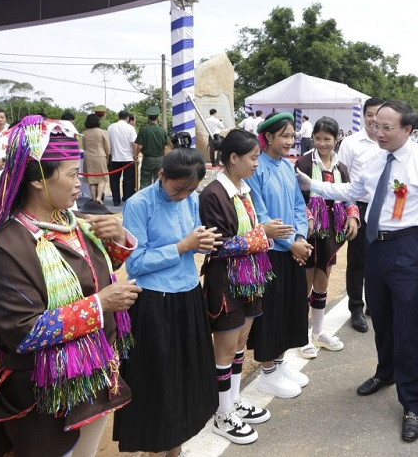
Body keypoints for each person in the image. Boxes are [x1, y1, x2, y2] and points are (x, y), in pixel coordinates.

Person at [0, 116, 140, 456]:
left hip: (93, 372)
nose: (79, 182)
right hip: (44, 390)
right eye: (71, 174)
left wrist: (117, 239)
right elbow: (23, 331)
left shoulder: (70, 221)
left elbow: (91, 275)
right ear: (38, 181)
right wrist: (100, 305)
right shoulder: (10, 247)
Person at [298, 100, 418, 443]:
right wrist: (312, 184)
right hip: (375, 246)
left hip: (408, 247)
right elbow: (353, 191)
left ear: (407, 130)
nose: (377, 132)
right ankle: (386, 372)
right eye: (375, 125)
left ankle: (413, 404)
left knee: (408, 327)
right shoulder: (374, 158)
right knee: (380, 316)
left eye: (386, 127)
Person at [115, 147, 220, 455]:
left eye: (190, 189)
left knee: (187, 375)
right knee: (157, 381)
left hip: (188, 296)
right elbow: (134, 264)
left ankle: (176, 445)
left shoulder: (192, 199)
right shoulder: (138, 204)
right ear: (161, 175)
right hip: (153, 303)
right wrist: (182, 246)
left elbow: (193, 245)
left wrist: (202, 245)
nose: (182, 195)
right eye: (177, 189)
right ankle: (155, 447)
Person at [200, 129, 288, 444]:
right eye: (252, 158)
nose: (256, 164)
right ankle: (222, 414)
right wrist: (262, 233)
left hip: (250, 277)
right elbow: (217, 247)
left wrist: (266, 230)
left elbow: (252, 230)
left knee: (239, 342)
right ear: (233, 158)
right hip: (226, 279)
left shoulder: (243, 187)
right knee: (224, 348)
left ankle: (232, 401)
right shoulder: (213, 194)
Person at [247, 113, 312, 399]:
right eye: (284, 136)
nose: (289, 141)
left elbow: (299, 205)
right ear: (269, 137)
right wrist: (290, 244)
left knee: (291, 307)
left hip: (292, 248)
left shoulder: (288, 167)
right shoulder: (257, 169)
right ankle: (268, 371)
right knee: (271, 312)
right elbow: (260, 215)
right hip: (271, 253)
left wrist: (299, 237)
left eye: (291, 136)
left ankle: (281, 364)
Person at [295, 117, 360, 358]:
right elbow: (295, 200)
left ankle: (319, 332)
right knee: (305, 282)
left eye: (327, 139)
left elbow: (350, 196)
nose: (322, 143)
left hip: (331, 232)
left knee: (323, 279)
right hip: (309, 232)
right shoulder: (302, 164)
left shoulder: (340, 167)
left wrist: (352, 217)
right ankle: (301, 336)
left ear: (336, 139)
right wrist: (308, 218)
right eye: (318, 138)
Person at [337, 97, 385, 332]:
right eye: (370, 114)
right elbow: (342, 179)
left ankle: (374, 304)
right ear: (364, 116)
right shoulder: (351, 143)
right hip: (359, 209)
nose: (375, 119)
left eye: (379, 114)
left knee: (379, 259)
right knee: (357, 261)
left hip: (385, 210)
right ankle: (356, 307)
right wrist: (350, 212)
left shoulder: (389, 141)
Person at [107, 110, 137, 206]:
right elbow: (133, 143)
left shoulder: (110, 127)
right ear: (128, 118)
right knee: (128, 180)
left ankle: (116, 200)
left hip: (114, 157)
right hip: (128, 158)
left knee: (114, 180)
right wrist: (135, 154)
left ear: (118, 117)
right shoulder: (130, 128)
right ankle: (126, 198)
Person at [134, 105, 169, 189]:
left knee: (145, 182)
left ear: (148, 118)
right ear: (157, 118)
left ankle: (145, 201)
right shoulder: (162, 131)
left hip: (148, 160)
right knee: (159, 182)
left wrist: (135, 155)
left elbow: (140, 146)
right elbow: (165, 149)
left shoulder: (143, 129)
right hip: (160, 159)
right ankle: (158, 201)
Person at [82, 113, 111, 203]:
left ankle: (94, 198)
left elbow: (84, 146)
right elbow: (107, 147)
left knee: (92, 179)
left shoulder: (84, 133)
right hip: (100, 155)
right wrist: (107, 156)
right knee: (101, 178)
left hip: (88, 157)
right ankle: (99, 198)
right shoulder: (102, 132)